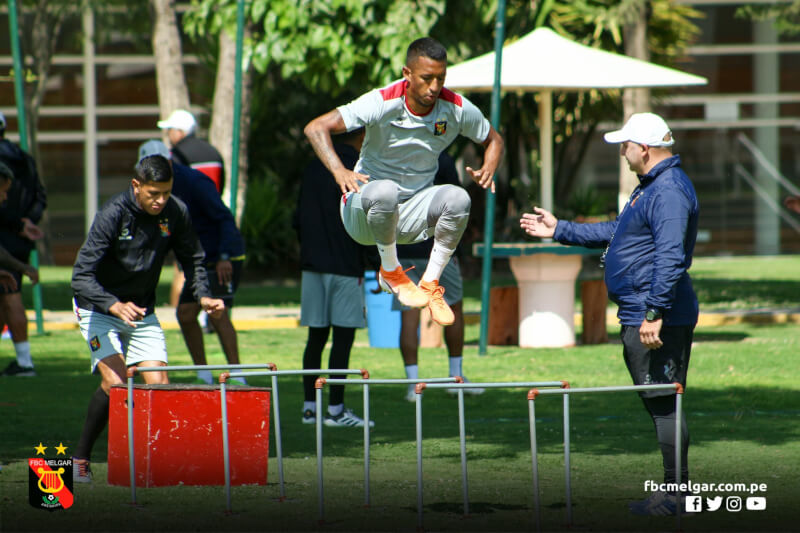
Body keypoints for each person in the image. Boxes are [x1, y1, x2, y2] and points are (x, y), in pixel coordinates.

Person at [520, 112, 698, 516]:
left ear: (645, 148)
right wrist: (559, 228)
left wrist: (654, 313)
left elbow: (670, 257)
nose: (622, 152)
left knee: (664, 401)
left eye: (626, 145)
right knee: (660, 401)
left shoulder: (667, 190)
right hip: (643, 312)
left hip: (655, 316)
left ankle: (676, 497)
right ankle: (675, 494)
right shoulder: (652, 187)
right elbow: (617, 231)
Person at [304, 37, 504, 331]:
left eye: (441, 78)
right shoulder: (382, 101)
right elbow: (316, 127)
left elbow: (494, 139)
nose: (434, 87)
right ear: (407, 74)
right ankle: (390, 271)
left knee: (459, 199)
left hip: (410, 216)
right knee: (385, 190)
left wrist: (489, 167)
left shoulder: (455, 107)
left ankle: (430, 284)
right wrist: (339, 171)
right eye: (426, 78)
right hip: (363, 212)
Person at [70, 154, 225, 483]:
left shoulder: (176, 211)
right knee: (116, 383)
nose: (160, 201)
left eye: (166, 193)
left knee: (159, 387)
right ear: (136, 185)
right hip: (97, 307)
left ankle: (152, 462)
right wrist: (113, 305)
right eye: (153, 193)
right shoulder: (113, 214)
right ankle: (80, 458)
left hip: (142, 311)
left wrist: (203, 295)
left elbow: (193, 258)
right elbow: (80, 276)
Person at [138, 140, 246, 385]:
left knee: (218, 313)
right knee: (186, 314)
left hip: (221, 255)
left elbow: (223, 217)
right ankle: (203, 373)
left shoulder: (195, 181)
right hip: (198, 259)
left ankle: (238, 374)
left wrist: (224, 257)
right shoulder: (155, 187)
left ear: (168, 161)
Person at [294, 128, 374, 428]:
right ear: (363, 134)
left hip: (314, 264)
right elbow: (369, 221)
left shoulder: (313, 166)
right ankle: (336, 411)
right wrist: (376, 264)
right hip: (345, 265)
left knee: (315, 338)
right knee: (343, 338)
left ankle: (309, 408)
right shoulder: (362, 168)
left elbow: (297, 219)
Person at [395, 152, 483, 401]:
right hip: (438, 250)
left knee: (409, 315)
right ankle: (456, 377)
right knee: (453, 308)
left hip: (404, 248)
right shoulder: (440, 159)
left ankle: (412, 384)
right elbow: (455, 205)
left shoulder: (397, 157)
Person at [0, 112, 46, 377]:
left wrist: (18, 223)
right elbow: (41, 195)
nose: (4, 197)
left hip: (9, 234)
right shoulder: (23, 157)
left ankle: (25, 362)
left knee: (10, 295)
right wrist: (29, 221)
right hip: (20, 237)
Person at [157, 109, 225, 193]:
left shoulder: (177, 154)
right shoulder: (213, 151)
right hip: (213, 204)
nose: (168, 134)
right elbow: (221, 185)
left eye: (170, 130)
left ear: (179, 132)